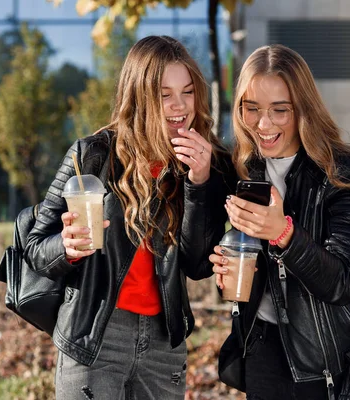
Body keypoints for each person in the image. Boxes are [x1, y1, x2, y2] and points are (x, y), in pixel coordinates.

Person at [24, 35, 231, 400]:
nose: (179, 106)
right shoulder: (93, 155)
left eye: (187, 92)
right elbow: (36, 248)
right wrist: (67, 247)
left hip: (163, 342)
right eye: (164, 94)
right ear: (140, 96)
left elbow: (198, 265)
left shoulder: (203, 162)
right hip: (95, 336)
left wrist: (199, 184)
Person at [210, 44, 350, 400]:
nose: (264, 124)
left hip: (328, 363)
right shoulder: (246, 169)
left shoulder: (340, 171)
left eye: (280, 110)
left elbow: (342, 283)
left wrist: (283, 234)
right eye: (252, 109)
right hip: (263, 349)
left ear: (303, 110)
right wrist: (230, 268)